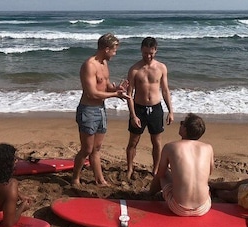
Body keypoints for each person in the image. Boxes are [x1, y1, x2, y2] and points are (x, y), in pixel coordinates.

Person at [72, 33, 130, 186]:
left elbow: (106, 84)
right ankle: (75, 178)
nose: (115, 53)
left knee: (97, 148)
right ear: (106, 49)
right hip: (88, 110)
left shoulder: (104, 63)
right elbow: (91, 92)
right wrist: (114, 94)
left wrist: (117, 89)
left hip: (101, 109)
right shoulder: (89, 65)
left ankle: (100, 180)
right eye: (114, 50)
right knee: (86, 149)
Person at [125, 37, 174, 180]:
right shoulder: (134, 70)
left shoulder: (161, 68)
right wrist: (133, 115)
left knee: (156, 142)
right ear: (141, 50)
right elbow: (129, 94)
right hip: (139, 108)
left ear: (156, 51)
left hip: (156, 109)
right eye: (145, 53)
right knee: (133, 141)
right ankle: (129, 168)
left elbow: (165, 90)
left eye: (151, 53)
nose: (148, 56)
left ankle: (156, 169)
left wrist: (170, 111)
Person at [149, 113, 214, 216]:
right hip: (203, 208)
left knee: (164, 172)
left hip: (178, 208)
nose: (180, 125)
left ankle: (149, 194)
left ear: (185, 129)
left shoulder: (170, 147)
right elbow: (210, 171)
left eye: (182, 123)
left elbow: (160, 173)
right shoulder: (208, 148)